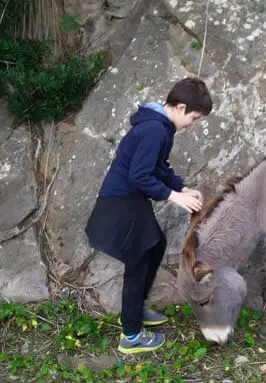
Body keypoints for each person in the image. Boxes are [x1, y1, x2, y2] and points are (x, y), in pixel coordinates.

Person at [85, 77, 213, 354]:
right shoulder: (155, 130)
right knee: (140, 258)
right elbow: (139, 175)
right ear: (180, 107)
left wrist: (182, 187)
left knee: (155, 246)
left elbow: (159, 167)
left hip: (130, 199)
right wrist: (174, 197)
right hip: (121, 201)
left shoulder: (160, 128)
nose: (193, 123)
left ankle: (135, 311)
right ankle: (131, 335)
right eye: (193, 117)